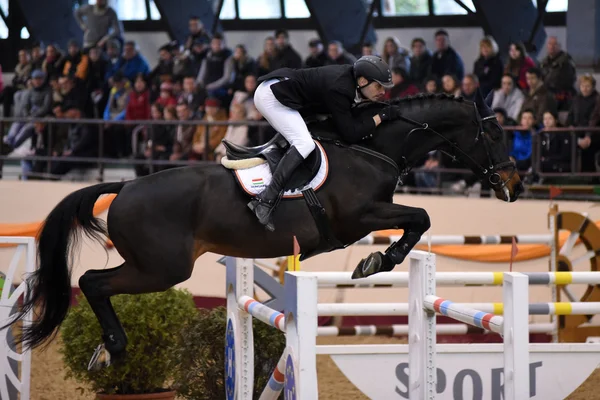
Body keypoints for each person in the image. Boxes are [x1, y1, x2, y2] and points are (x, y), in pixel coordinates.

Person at [248, 55, 399, 231]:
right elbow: (350, 134)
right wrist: (381, 117)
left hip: (282, 91)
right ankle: (265, 201)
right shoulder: (341, 87)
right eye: (378, 86)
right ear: (363, 80)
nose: (383, 92)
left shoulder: (349, 81)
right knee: (304, 144)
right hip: (273, 96)